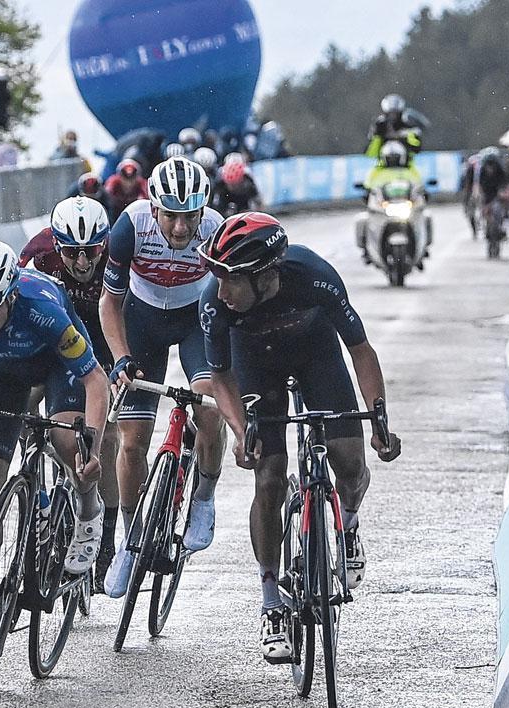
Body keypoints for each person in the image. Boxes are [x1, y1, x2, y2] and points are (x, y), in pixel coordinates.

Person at [198, 212, 400, 662]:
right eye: (217, 278)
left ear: (265, 275)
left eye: (231, 279)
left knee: (350, 466)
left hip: (316, 354)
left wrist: (379, 420)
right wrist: (239, 430)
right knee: (267, 477)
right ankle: (271, 601)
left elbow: (360, 349)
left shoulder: (313, 276)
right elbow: (220, 374)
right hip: (254, 364)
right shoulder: (215, 302)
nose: (221, 290)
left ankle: (346, 526)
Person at [0, 240, 109, 648]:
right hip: (2, 372)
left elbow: (95, 380)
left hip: (58, 364)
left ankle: (88, 510)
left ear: (10, 295)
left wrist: (92, 447)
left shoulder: (42, 310)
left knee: (69, 443)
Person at [98, 155, 227, 596]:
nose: (179, 227)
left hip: (196, 320)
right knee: (132, 441)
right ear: (154, 209)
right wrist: (119, 359)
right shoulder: (130, 227)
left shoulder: (215, 231)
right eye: (170, 215)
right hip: (141, 322)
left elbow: (228, 306)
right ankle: (131, 540)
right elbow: (109, 304)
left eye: (188, 216)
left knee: (210, 409)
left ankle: (205, 497)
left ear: (201, 212)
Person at [18, 198, 120, 593]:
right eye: (72, 252)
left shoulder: (115, 255)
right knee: (26, 410)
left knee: (105, 437)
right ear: (56, 245)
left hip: (101, 330)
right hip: (54, 332)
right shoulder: (38, 255)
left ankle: (105, 533)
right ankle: (38, 487)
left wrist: (120, 365)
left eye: (91, 250)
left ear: (104, 243)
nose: (82, 262)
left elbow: (129, 314)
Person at [103, 158, 149, 223]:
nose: (128, 182)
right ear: (119, 176)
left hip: (135, 217)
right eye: (125, 177)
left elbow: (146, 204)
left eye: (132, 177)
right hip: (116, 216)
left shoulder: (143, 185)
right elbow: (106, 198)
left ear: (137, 177)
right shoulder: (112, 183)